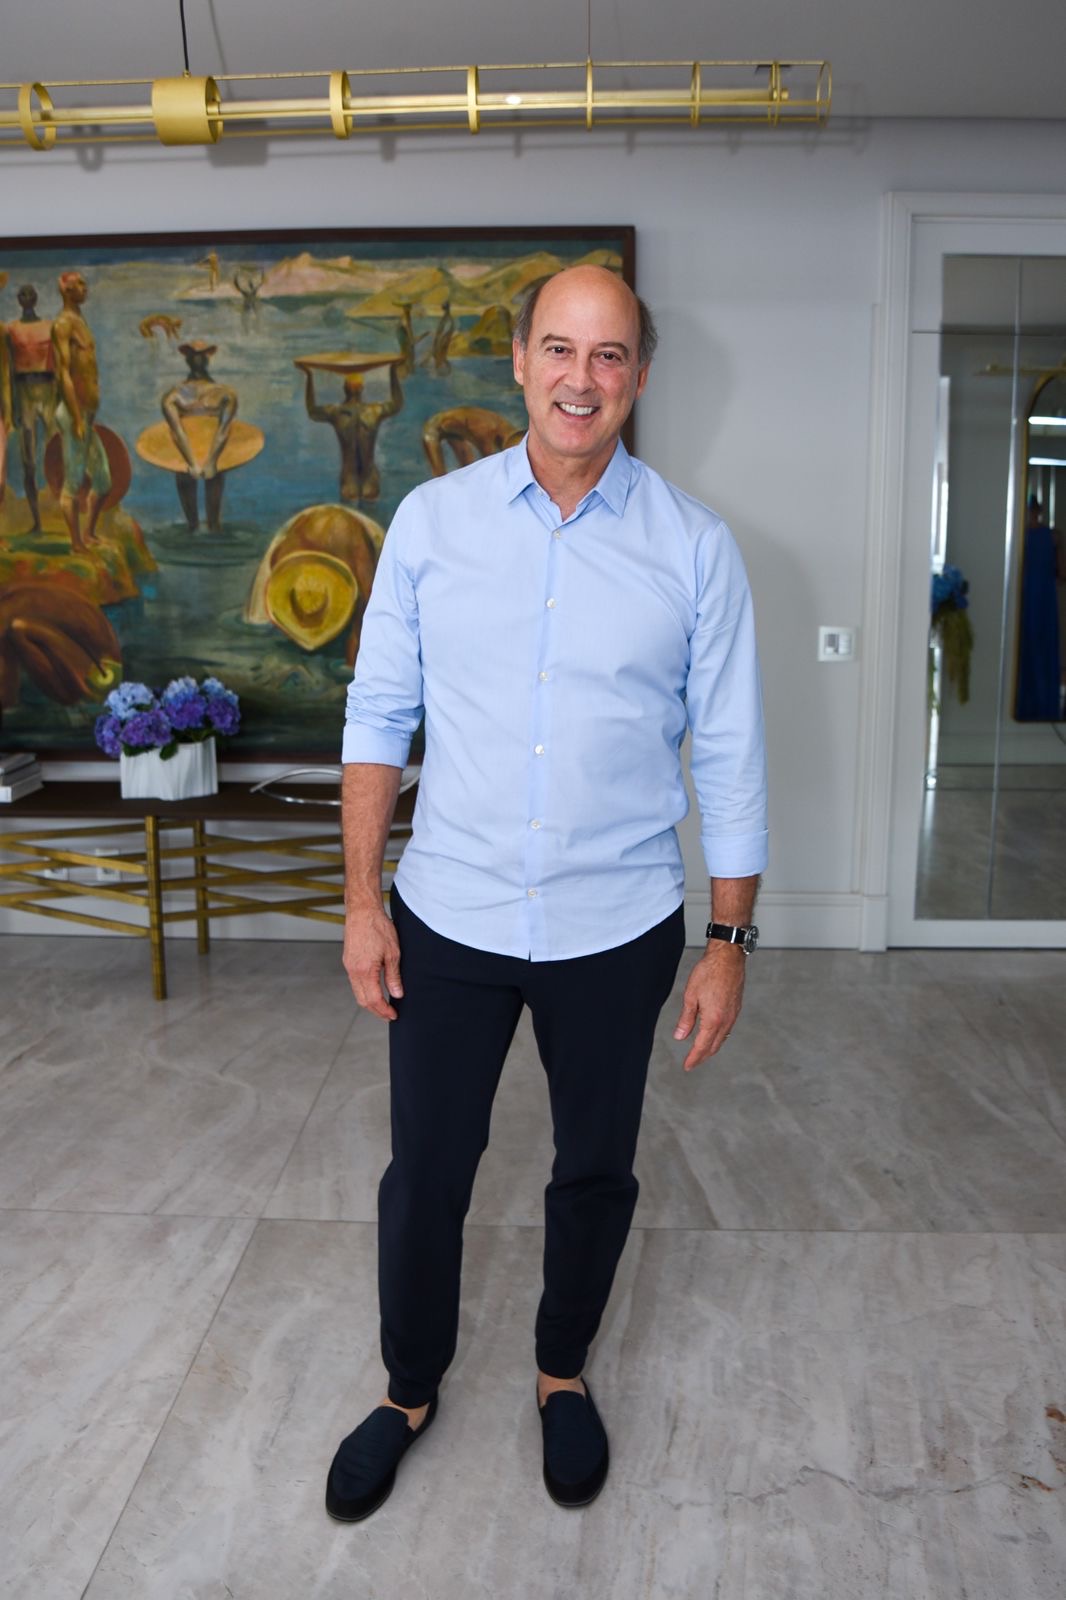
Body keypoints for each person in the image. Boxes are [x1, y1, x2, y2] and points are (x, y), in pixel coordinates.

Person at [329, 265, 767, 1521]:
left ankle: (561, 1372)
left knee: (594, 1170)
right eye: (560, 349)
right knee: (426, 1172)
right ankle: (408, 1387)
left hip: (616, 926)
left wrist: (728, 938)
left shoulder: (694, 547)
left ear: (639, 375)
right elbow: (379, 718)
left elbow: (730, 749)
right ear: (518, 360)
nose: (582, 377)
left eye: (610, 354)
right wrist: (362, 902)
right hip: (450, 915)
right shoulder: (431, 523)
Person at [51, 270, 111, 553]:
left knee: (103, 481)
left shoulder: (79, 320)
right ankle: (76, 543)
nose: (85, 289)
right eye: (80, 285)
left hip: (86, 414)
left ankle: (88, 533)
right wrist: (76, 417)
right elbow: (63, 373)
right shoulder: (63, 324)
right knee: (73, 482)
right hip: (74, 413)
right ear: (66, 291)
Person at [161, 340, 238, 532]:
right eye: (196, 356)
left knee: (208, 523)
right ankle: (202, 530)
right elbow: (177, 432)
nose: (197, 359)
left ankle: (203, 529)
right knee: (202, 523)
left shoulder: (174, 395)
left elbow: (223, 430)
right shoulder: (224, 394)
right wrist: (195, 462)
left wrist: (209, 461)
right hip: (187, 453)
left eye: (199, 356)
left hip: (209, 451)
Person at [301, 361, 404, 503]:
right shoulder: (374, 411)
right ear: (362, 388)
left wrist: (309, 376)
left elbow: (312, 410)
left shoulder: (336, 412)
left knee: (351, 504)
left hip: (350, 480)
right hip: (367, 479)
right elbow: (397, 404)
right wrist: (393, 372)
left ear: (344, 388)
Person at [5, 285, 58, 532]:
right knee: (29, 461)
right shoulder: (11, 329)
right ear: (19, 300)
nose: (26, 298)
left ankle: (61, 516)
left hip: (48, 391)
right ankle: (37, 521)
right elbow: (6, 370)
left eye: (30, 295)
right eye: (22, 295)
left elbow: (59, 364)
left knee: (55, 454)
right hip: (24, 393)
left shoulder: (50, 326)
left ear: (35, 299)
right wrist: (9, 406)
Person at [421, 404, 525, 476]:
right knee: (440, 476)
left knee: (468, 471)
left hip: (454, 429)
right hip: (436, 428)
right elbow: (489, 462)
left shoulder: (502, 428)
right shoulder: (487, 430)